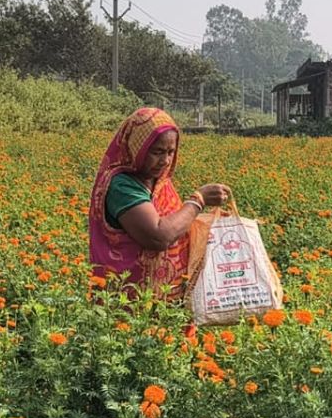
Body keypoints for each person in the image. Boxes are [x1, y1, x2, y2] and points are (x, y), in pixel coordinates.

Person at [89, 107, 231, 299]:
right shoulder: (121, 186)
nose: (165, 160)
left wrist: (207, 220)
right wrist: (199, 200)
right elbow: (158, 236)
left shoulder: (158, 182)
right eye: (157, 152)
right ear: (136, 147)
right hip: (132, 308)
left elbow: (175, 221)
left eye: (171, 152)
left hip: (168, 303)